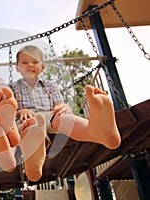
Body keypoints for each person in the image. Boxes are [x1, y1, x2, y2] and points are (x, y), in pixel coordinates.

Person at [11, 45, 121, 181]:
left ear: (42, 67)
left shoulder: (49, 85)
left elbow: (58, 104)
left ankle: (94, 131)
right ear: (17, 67)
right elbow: (9, 109)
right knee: (29, 129)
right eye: (24, 62)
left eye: (35, 62)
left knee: (63, 118)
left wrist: (64, 107)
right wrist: (20, 111)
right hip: (27, 118)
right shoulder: (13, 87)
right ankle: (33, 157)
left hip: (50, 114)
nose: (30, 65)